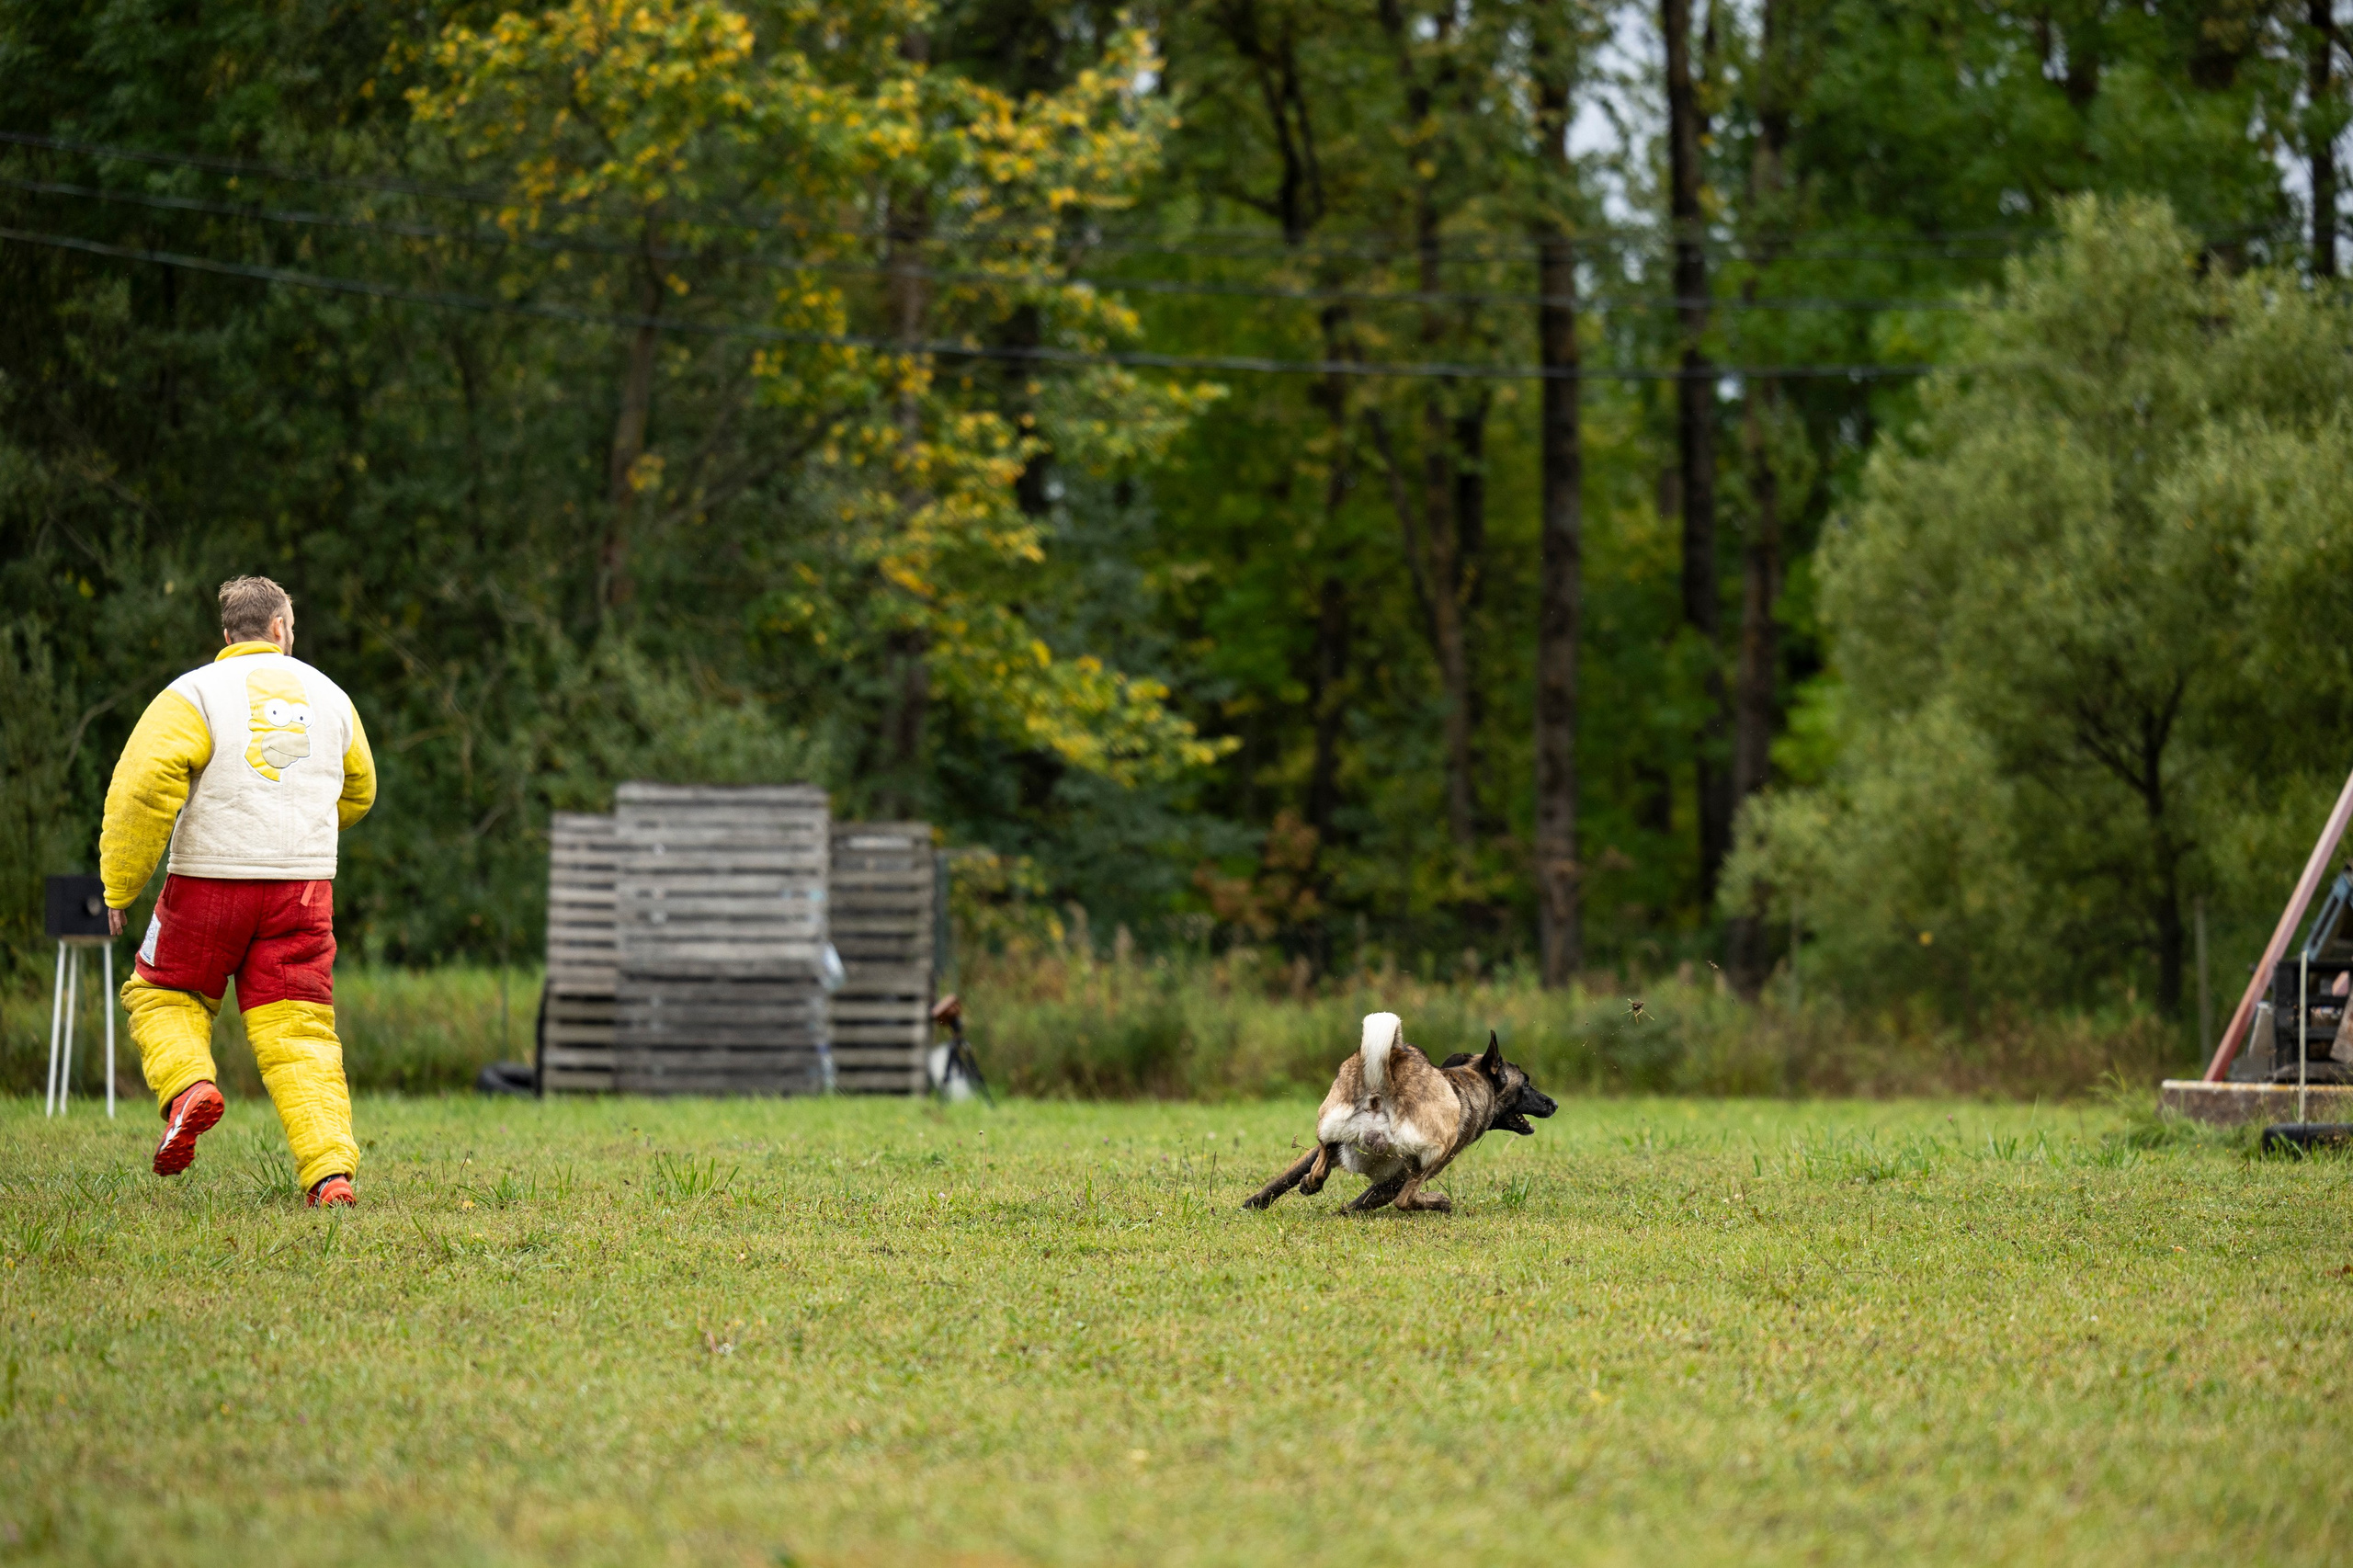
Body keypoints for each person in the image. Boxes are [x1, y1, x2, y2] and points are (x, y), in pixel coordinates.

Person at [100, 575, 376, 1207]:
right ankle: (329, 1174)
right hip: (302, 892)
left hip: (208, 885)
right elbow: (359, 790)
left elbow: (144, 790)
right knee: (301, 1032)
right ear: (281, 628)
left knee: (163, 994)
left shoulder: (191, 693)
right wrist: (303, 822)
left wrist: (121, 886)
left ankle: (190, 1086)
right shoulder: (333, 697)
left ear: (227, 635)